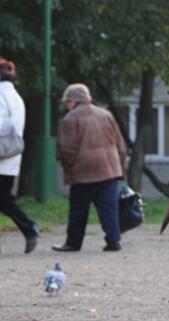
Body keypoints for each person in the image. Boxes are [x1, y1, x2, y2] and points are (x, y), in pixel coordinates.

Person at [53, 83, 127, 252]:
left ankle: (73, 243)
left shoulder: (70, 118)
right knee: (109, 207)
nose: (66, 105)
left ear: (73, 101)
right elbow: (120, 145)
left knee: (78, 209)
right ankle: (114, 241)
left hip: (84, 170)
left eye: (67, 102)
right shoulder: (106, 114)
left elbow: (67, 149)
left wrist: (68, 167)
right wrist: (120, 167)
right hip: (110, 168)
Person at [0, 56, 39, 254]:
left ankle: (29, 226)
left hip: (2, 155)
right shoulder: (17, 97)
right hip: (12, 157)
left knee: (4, 199)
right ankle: (28, 228)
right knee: (4, 198)